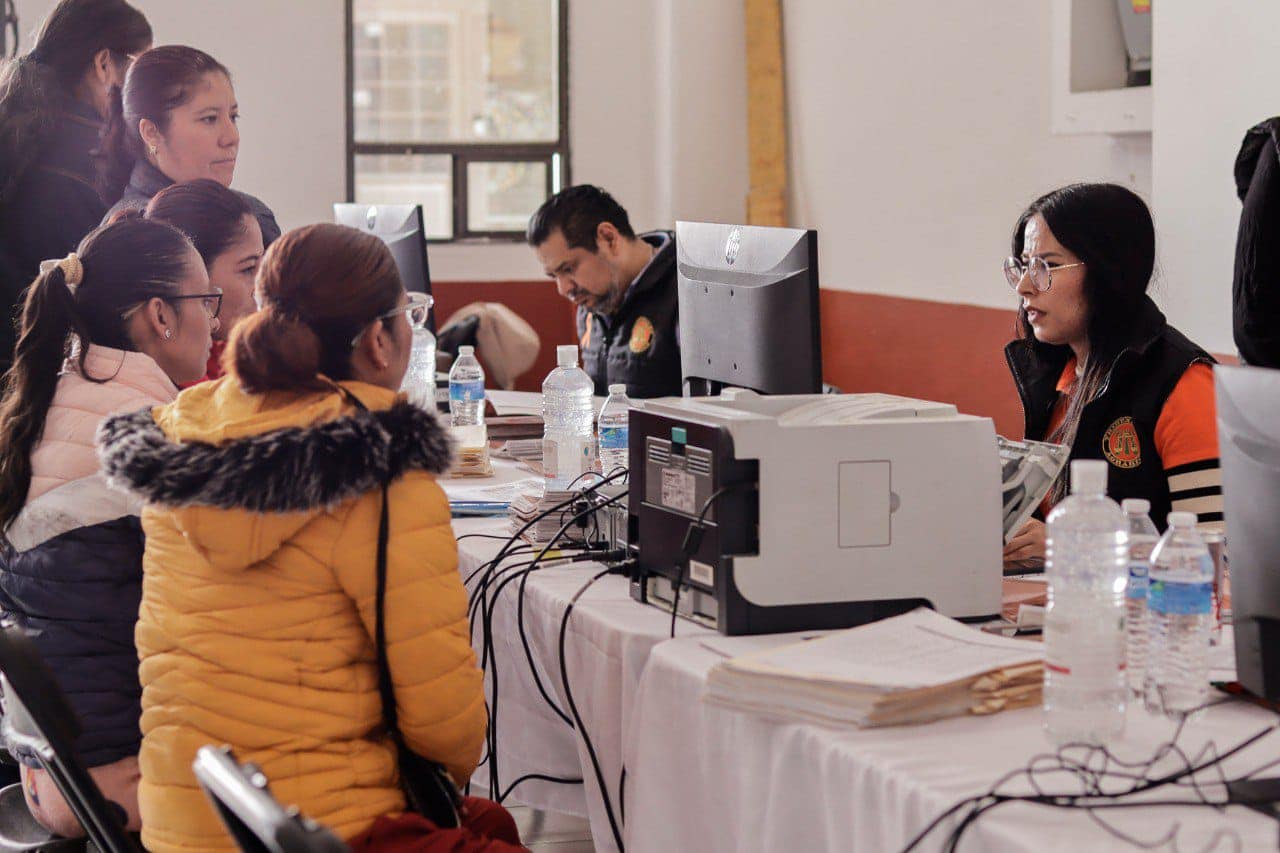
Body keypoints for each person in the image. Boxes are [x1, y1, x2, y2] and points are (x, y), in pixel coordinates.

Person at [97, 224, 521, 852]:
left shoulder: (186, 430)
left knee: (494, 826)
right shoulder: (381, 471)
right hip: (318, 827)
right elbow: (443, 726)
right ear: (380, 340)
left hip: (187, 821)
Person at [0, 217, 218, 836]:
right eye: (208, 300)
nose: (219, 321)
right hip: (122, 786)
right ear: (160, 315)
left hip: (45, 778)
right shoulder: (148, 435)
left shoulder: (44, 408)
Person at [1001, 183, 1223, 571]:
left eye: (1047, 266)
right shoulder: (1057, 374)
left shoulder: (1183, 383)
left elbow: (1213, 556)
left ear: (1108, 270)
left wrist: (1064, 545)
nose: (1024, 286)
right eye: (1022, 265)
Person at [0, 0, 151, 375]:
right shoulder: (92, 166)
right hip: (47, 376)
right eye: (140, 67)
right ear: (104, 65)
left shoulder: (19, 136)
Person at [99, 45, 280, 247]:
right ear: (151, 132)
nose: (232, 137)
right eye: (209, 119)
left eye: (233, 117)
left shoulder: (254, 216)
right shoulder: (133, 234)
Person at [527, 184, 680, 397]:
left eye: (568, 269)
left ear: (608, 238)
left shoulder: (685, 291)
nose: (563, 289)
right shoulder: (592, 302)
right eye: (554, 276)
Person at [143, 179, 263, 379]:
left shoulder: (230, 358)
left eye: (264, 265)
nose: (262, 285)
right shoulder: (174, 395)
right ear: (194, 273)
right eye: (249, 268)